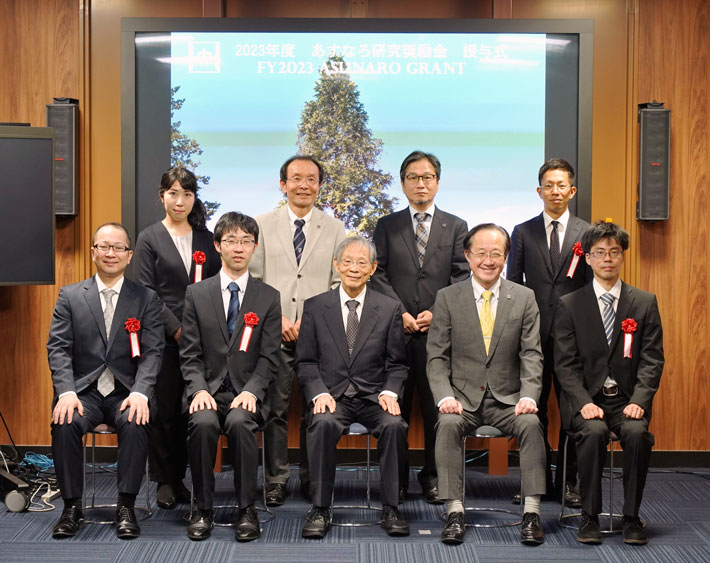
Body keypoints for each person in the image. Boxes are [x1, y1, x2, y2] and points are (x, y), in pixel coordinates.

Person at [427, 223, 546, 546]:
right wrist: (445, 396)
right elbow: (436, 357)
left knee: (532, 424)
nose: (488, 260)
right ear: (468, 256)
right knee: (448, 424)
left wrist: (528, 395)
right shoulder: (448, 298)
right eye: (481, 253)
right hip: (462, 399)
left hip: (509, 400)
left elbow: (532, 353)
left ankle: (532, 513)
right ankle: (454, 511)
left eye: (496, 253)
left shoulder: (523, 297)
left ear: (506, 257)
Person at [47, 223, 164, 539]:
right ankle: (72, 507)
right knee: (65, 420)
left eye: (118, 248)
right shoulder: (71, 296)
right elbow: (57, 348)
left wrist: (141, 391)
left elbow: (153, 351)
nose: (111, 253)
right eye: (104, 246)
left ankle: (126, 505)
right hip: (84, 391)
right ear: (93, 252)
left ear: (129, 255)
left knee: (136, 420)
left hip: (126, 391)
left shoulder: (146, 298)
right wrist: (66, 391)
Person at [555, 221, 664, 545]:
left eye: (614, 252)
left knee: (636, 434)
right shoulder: (570, 305)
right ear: (587, 258)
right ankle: (589, 516)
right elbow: (565, 364)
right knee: (593, 433)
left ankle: (632, 517)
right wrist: (583, 402)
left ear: (622, 256)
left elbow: (652, 359)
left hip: (627, 400)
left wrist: (640, 401)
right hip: (585, 399)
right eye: (600, 253)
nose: (607, 259)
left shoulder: (644, 302)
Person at [371, 150, 469, 504]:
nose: (421, 183)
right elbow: (377, 272)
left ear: (438, 183)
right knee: (394, 409)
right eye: (413, 177)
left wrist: (435, 310)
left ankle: (432, 477)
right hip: (395, 333)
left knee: (435, 410)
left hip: (437, 334)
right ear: (402, 184)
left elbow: (461, 274)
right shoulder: (387, 225)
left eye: (427, 177)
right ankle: (396, 480)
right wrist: (400, 312)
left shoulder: (456, 226)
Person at [295, 236, 409, 539]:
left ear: (372, 269)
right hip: (332, 397)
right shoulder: (316, 307)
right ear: (336, 265)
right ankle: (320, 507)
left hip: (373, 396)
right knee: (320, 424)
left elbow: (397, 363)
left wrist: (389, 392)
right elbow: (305, 361)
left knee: (395, 425)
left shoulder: (388, 308)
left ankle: (392, 507)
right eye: (347, 261)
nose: (354, 268)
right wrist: (318, 393)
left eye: (362, 263)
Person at [250, 155, 346, 506]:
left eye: (311, 179)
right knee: (274, 410)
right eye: (296, 178)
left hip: (317, 335)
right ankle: (276, 478)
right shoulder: (260, 225)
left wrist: (310, 320)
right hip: (273, 334)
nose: (304, 185)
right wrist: (278, 321)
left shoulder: (335, 229)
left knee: (314, 409)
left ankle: (311, 478)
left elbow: (339, 281)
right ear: (283, 184)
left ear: (319, 185)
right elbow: (255, 281)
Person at [180, 212, 281, 542]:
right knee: (204, 424)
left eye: (245, 241)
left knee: (240, 423)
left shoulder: (268, 296)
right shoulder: (197, 293)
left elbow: (269, 356)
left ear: (254, 247)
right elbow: (190, 354)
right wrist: (197, 390)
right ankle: (202, 508)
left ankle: (246, 508)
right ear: (217, 245)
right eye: (231, 241)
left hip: (245, 392)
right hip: (207, 389)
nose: (238, 248)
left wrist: (252, 391)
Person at [132, 166, 221, 510]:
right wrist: (177, 328)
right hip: (164, 337)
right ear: (162, 196)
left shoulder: (205, 237)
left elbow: (215, 284)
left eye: (186, 194)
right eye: (173, 193)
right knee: (164, 409)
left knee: (192, 410)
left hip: (202, 337)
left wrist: (200, 329)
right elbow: (145, 291)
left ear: (193, 197)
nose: (180, 200)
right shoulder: (149, 238)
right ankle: (165, 480)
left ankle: (183, 477)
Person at [507, 158, 590, 506]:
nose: (555, 191)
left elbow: (589, 286)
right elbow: (512, 284)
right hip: (532, 338)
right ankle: (535, 484)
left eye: (562, 185)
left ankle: (568, 483)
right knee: (534, 412)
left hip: (573, 339)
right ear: (539, 191)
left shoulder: (587, 233)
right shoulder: (523, 231)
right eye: (548, 185)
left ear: (572, 190)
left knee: (571, 413)